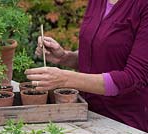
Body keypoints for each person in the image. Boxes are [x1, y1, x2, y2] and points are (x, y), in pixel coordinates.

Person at [25, 0, 148, 132]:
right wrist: (65, 57)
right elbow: (100, 58)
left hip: (123, 123)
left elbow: (134, 78)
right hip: (85, 115)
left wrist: (65, 79)